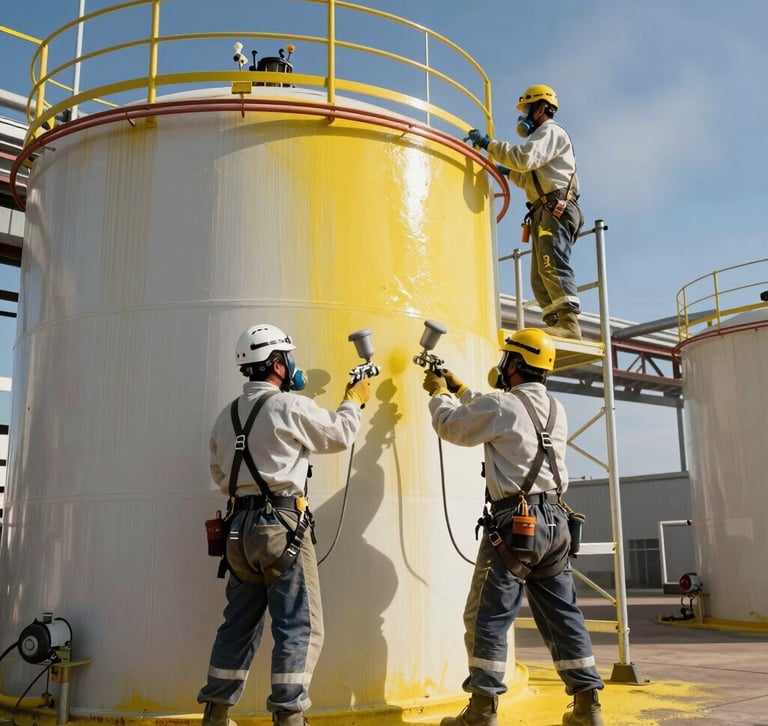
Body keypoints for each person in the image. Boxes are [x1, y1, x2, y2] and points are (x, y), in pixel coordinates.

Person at [422, 328, 604, 726]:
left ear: (516, 364)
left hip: (517, 526)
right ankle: (588, 706)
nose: (502, 365)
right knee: (564, 615)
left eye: (507, 359)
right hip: (557, 524)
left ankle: (482, 711)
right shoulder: (555, 408)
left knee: (486, 617)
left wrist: (438, 394)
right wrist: (463, 388)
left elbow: (454, 427)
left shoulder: (502, 405)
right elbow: (504, 416)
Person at [198, 323, 371, 726]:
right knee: (299, 625)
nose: (292, 365)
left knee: (237, 626)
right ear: (276, 364)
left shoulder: (225, 416)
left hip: (237, 532)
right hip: (280, 528)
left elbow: (220, 476)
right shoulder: (290, 407)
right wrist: (353, 401)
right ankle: (289, 717)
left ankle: (216, 713)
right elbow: (339, 435)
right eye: (288, 358)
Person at [467, 84, 584, 341]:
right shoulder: (540, 139)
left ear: (540, 109)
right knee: (539, 275)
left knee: (552, 264)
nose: (523, 117)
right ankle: (555, 322)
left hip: (556, 207)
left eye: (526, 110)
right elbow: (528, 175)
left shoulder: (550, 131)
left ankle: (569, 324)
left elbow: (523, 159)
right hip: (545, 208)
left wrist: (489, 145)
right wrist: (508, 172)